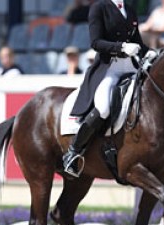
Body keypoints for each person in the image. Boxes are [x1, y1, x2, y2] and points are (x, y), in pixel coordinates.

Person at [62, 0, 152, 178]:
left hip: (131, 67)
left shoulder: (130, 9)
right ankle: (74, 151)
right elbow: (96, 42)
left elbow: (137, 42)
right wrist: (121, 47)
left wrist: (150, 52)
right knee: (103, 107)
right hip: (109, 67)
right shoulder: (99, 7)